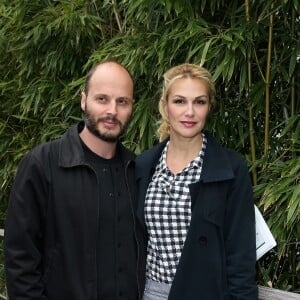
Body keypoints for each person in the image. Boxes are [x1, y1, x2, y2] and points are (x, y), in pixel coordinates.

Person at [4, 60, 146, 300]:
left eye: (122, 101)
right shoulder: (43, 164)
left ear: (132, 107)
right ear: (83, 100)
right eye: (102, 99)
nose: (112, 110)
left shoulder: (137, 170)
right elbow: (20, 258)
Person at [135, 63, 258, 299]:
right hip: (150, 293)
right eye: (180, 101)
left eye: (199, 102)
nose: (189, 112)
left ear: (209, 107)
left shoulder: (230, 169)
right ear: (165, 106)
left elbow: (240, 256)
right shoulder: (144, 166)